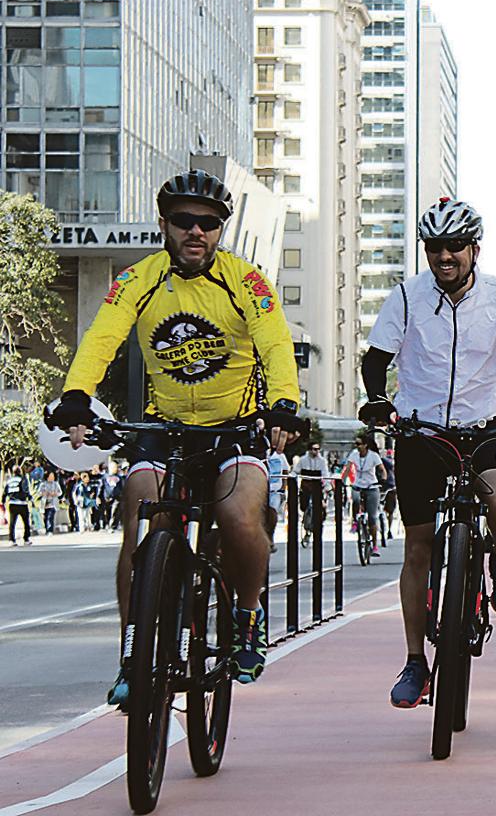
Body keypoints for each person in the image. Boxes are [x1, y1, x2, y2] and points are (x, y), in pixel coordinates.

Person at [48, 169, 301, 705]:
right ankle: (132, 649)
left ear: (220, 230)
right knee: (141, 518)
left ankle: (247, 616)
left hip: (234, 429)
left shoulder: (245, 280)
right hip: (164, 428)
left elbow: (276, 344)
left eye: (208, 223)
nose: (195, 232)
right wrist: (76, 393)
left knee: (237, 518)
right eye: (184, 221)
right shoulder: (139, 279)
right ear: (164, 224)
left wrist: (283, 404)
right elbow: (102, 337)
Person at [357, 197, 496, 708]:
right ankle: (416, 662)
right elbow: (376, 361)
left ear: (474, 249)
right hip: (421, 432)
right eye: (434, 247)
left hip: (480, 435)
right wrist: (377, 401)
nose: (444, 256)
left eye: (455, 245)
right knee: (417, 549)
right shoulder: (407, 297)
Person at [342, 434, 387, 556]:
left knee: (372, 517)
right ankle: (355, 522)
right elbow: (347, 468)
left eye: (358, 444)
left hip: (371, 486)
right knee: (355, 500)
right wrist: (342, 481)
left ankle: (375, 545)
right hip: (357, 485)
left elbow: (382, 469)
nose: (356, 446)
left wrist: (383, 479)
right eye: (355, 444)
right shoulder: (354, 454)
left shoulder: (373, 456)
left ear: (365, 445)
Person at [295, 442, 329, 527]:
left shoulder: (322, 461)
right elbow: (295, 471)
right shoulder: (303, 460)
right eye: (314, 449)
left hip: (317, 485)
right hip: (306, 485)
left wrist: (327, 486)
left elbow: (325, 474)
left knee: (319, 505)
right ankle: (305, 519)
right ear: (309, 450)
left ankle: (318, 522)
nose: (317, 451)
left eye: (318, 449)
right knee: (304, 505)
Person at [2, 465, 32, 546]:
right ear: (20, 471)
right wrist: (30, 498)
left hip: (12, 504)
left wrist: (3, 501)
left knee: (12, 523)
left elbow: (5, 492)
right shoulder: (22, 479)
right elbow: (25, 490)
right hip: (22, 504)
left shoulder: (9, 480)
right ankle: (26, 539)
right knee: (26, 522)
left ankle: (11, 540)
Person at [266, 448, 289, 552]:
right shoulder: (260, 451)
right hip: (260, 489)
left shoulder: (280, 456)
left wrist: (283, 487)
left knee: (273, 513)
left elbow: (285, 471)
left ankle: (270, 537)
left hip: (275, 490)